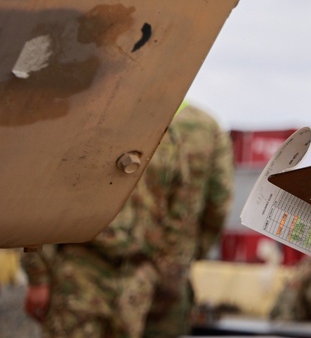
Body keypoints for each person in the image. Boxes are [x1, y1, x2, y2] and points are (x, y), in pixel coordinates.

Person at [22, 122, 188, 338]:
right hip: (81, 268)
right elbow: (38, 201)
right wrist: (38, 275)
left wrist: (161, 270)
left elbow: (180, 208)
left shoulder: (168, 135)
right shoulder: (85, 123)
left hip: (137, 274)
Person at [143, 103, 234, 338]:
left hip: (110, 263)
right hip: (172, 266)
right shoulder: (207, 126)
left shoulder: (128, 114)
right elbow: (219, 200)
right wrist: (197, 249)